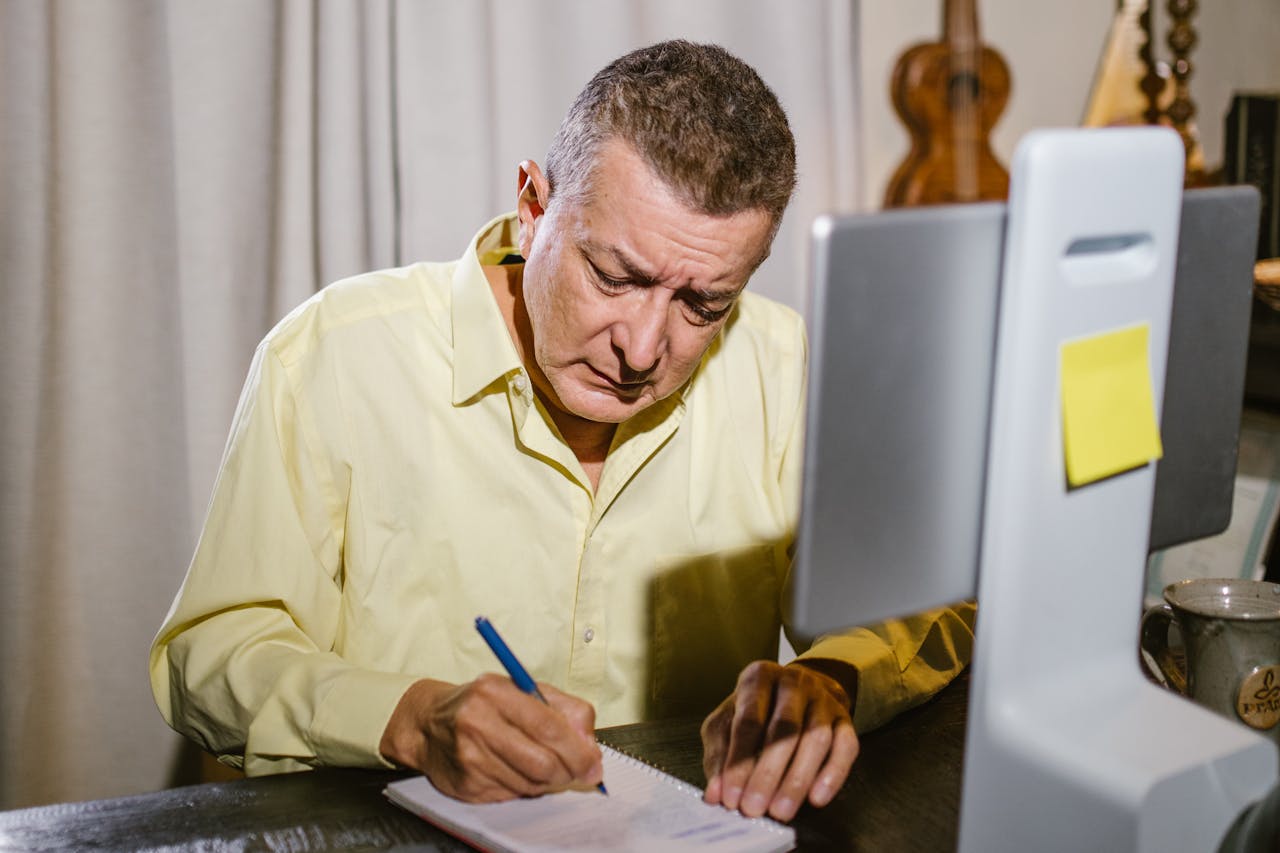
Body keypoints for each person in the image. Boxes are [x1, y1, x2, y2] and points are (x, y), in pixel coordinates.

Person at [150, 39, 975, 824]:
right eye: (614, 276)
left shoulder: (783, 364)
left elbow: (930, 601)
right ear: (533, 207)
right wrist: (410, 719)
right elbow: (215, 651)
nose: (643, 348)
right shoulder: (336, 353)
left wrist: (831, 678)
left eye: (704, 305)